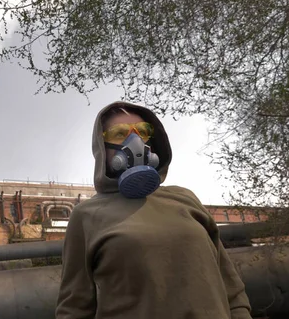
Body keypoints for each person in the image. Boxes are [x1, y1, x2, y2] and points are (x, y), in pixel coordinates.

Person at [55, 101, 252, 319]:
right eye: (119, 134)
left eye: (143, 132)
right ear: (102, 148)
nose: (135, 141)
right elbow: (74, 308)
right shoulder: (86, 215)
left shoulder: (184, 198)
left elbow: (231, 288)